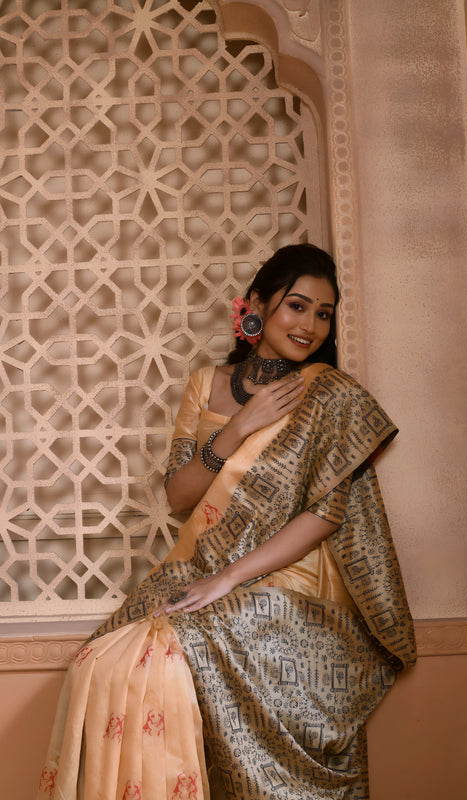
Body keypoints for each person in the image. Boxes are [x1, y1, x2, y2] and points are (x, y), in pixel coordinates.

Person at [37, 244, 416, 800]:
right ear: (256, 307)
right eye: (297, 306)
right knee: (105, 660)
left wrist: (228, 578)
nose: (310, 325)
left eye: (323, 313)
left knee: (168, 656)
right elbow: (180, 497)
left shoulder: (330, 394)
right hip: (203, 558)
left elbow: (326, 514)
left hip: (289, 578)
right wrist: (239, 426)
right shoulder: (206, 384)